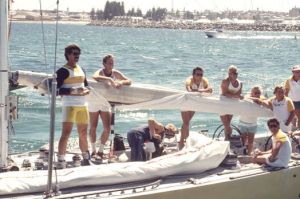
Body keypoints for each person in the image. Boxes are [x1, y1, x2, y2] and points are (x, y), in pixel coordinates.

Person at [89, 54, 131, 159]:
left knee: (107, 128)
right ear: (104, 64)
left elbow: (129, 81)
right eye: (109, 63)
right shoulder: (100, 72)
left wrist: (121, 82)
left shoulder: (115, 72)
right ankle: (93, 150)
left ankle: (101, 151)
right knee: (93, 127)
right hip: (94, 101)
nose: (111, 65)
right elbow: (94, 77)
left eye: (112, 62)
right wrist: (111, 80)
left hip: (105, 103)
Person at [56, 44, 90, 168]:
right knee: (66, 133)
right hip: (69, 105)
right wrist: (72, 91)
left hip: (82, 105)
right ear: (68, 55)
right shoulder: (62, 71)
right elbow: (55, 90)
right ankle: (61, 159)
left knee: (83, 132)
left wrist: (87, 90)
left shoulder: (81, 69)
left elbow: (87, 85)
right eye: (75, 54)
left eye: (78, 54)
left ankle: (86, 157)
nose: (77, 56)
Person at [180, 67, 213, 149]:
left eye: (201, 74)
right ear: (193, 75)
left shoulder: (204, 80)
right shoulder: (189, 80)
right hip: (186, 102)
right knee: (186, 123)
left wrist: (199, 90)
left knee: (187, 123)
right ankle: (182, 142)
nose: (200, 76)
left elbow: (210, 90)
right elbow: (189, 90)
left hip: (195, 103)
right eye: (198, 74)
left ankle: (185, 141)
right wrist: (202, 90)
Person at [238, 86, 264, 155]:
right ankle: (243, 154)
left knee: (250, 142)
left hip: (253, 124)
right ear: (252, 93)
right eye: (256, 93)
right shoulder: (247, 98)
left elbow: (266, 102)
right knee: (243, 141)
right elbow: (242, 98)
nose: (257, 94)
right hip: (243, 123)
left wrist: (258, 100)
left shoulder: (261, 100)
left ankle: (249, 155)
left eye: (259, 93)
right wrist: (254, 99)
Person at [220, 65, 243, 140]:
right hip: (222, 104)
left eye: (235, 73)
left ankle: (227, 138)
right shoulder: (225, 81)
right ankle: (228, 137)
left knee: (228, 123)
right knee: (226, 124)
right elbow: (224, 93)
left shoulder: (240, 83)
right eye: (231, 73)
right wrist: (236, 96)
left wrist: (239, 96)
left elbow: (238, 95)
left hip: (232, 105)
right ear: (229, 73)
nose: (233, 74)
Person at [284, 65, 300, 130]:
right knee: (296, 117)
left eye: (299, 71)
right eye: (296, 71)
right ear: (293, 72)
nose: (298, 73)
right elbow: (286, 92)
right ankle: (296, 131)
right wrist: (285, 102)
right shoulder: (288, 80)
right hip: (293, 101)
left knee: (297, 117)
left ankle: (296, 130)